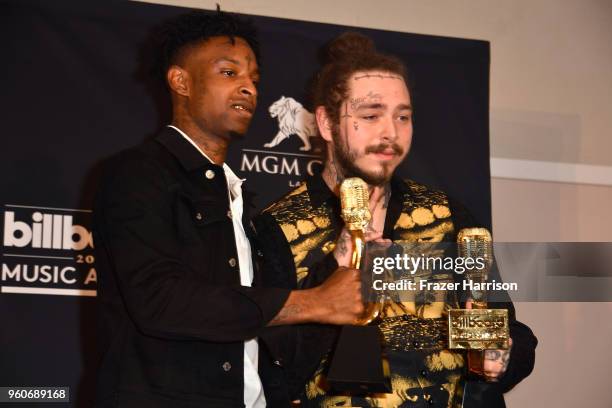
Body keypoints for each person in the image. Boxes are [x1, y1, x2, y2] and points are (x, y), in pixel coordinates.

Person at [92, 11, 364, 408]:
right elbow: (160, 302)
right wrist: (317, 301)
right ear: (180, 80)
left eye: (253, 79)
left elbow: (274, 344)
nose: (248, 89)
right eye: (228, 73)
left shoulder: (240, 199)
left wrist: (335, 271)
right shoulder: (136, 174)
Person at [253, 32, 537, 407]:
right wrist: (334, 270)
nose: (390, 132)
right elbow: (269, 370)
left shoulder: (449, 216)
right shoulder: (276, 227)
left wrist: (497, 356)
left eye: (402, 117)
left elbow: (508, 327)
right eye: (371, 116)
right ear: (325, 123)